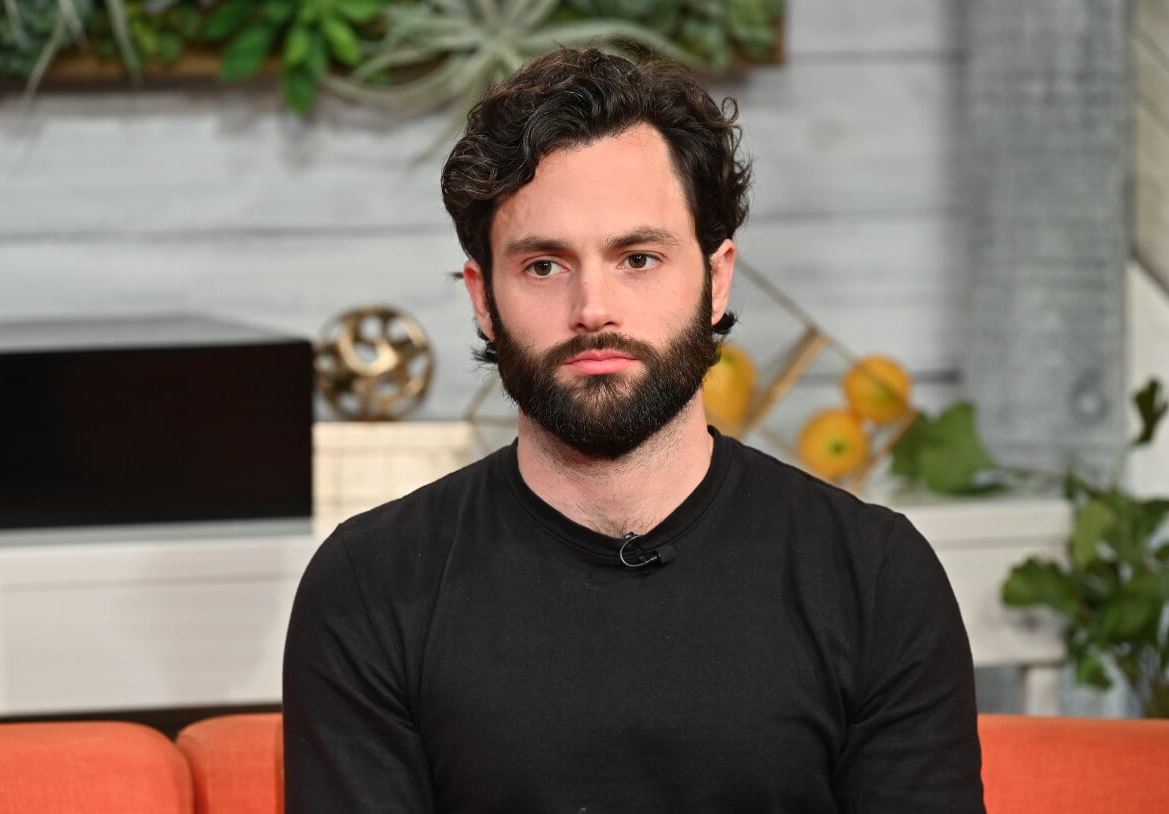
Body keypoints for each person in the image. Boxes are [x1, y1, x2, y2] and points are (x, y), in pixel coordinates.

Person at [283, 47, 984, 812]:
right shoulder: (371, 586)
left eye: (639, 258)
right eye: (545, 266)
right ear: (483, 298)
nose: (594, 309)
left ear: (716, 280)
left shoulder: (874, 579)